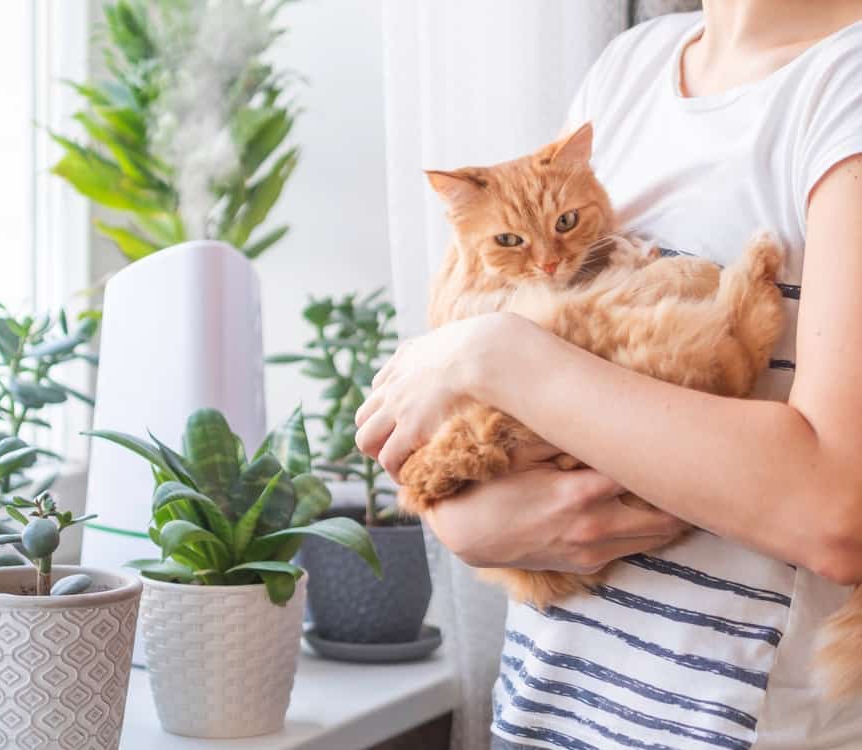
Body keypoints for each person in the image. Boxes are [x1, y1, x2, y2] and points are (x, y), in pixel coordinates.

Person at [354, 1, 862, 748]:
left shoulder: (841, 84)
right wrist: (463, 520)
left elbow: (833, 512)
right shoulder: (632, 67)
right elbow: (531, 402)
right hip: (545, 710)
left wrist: (499, 353)